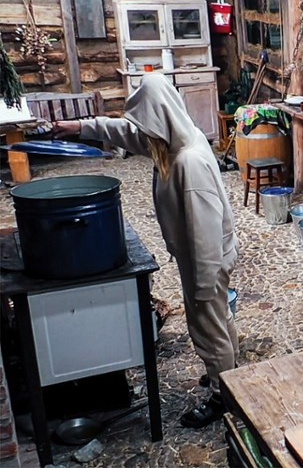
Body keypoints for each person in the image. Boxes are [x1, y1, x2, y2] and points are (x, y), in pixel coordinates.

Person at [53, 73, 240, 428]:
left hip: (207, 259)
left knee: (206, 325)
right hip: (206, 256)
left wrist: (202, 285)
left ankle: (223, 396)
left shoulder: (188, 162)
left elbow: (205, 235)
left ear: (159, 118)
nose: (141, 133)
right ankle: (228, 372)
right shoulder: (177, 135)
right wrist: (80, 127)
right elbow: (126, 133)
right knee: (217, 318)